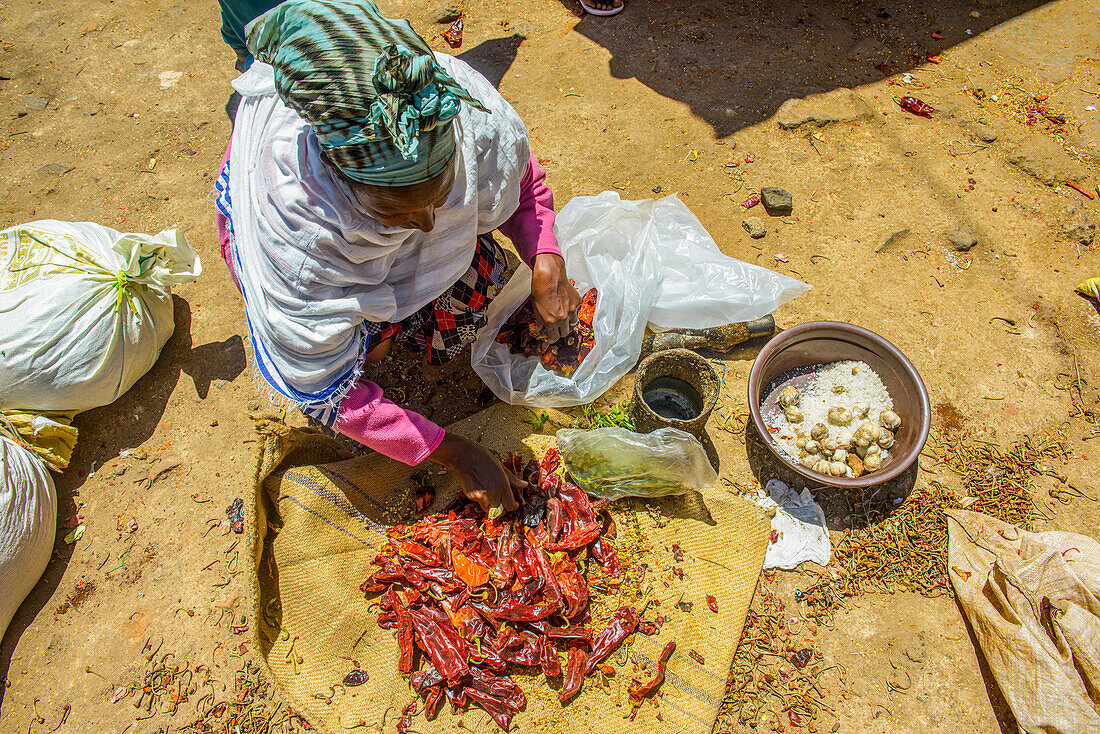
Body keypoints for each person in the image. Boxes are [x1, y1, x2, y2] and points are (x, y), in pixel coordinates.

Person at [213, 0, 580, 515]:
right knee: (368, 357)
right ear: (345, 185)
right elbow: (327, 395)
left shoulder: (440, 102)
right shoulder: (301, 241)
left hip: (367, 221)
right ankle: (376, 338)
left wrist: (545, 257)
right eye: (402, 214)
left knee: (479, 283)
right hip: (302, 255)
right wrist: (454, 452)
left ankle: (395, 316)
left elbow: (518, 177)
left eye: (440, 195)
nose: (430, 225)